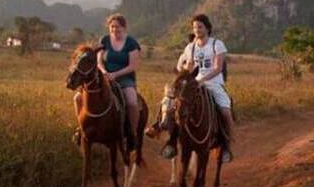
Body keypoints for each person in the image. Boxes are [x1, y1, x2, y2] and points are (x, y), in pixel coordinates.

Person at [160, 14, 234, 162]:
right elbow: (188, 67)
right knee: (173, 104)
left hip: (214, 83)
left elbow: (218, 68)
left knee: (225, 110)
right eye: (194, 27)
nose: (197, 30)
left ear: (207, 28)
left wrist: (203, 80)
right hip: (193, 83)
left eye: (200, 27)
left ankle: (226, 144)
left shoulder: (216, 44)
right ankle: (171, 141)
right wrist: (187, 76)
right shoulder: (190, 47)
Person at [95, 13, 142, 149]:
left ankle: (132, 134)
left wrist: (115, 74)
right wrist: (104, 72)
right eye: (112, 27)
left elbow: (133, 65)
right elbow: (99, 60)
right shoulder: (104, 40)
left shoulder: (131, 42)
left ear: (124, 28)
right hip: (104, 77)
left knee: (132, 100)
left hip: (125, 78)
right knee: (81, 96)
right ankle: (82, 129)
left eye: (118, 27)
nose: (115, 30)